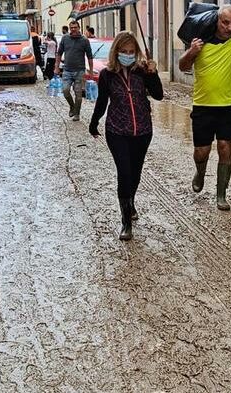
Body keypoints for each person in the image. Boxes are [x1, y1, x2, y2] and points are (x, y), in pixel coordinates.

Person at [178, 5, 231, 210]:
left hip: (227, 107)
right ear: (216, 21)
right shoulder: (201, 43)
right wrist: (191, 52)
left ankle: (221, 195)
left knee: (225, 148)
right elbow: (182, 66)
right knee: (201, 152)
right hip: (203, 106)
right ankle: (200, 171)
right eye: (225, 22)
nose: (229, 27)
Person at [89, 31, 163, 240]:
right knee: (124, 172)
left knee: (136, 172)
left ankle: (130, 201)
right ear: (116, 52)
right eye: (124, 51)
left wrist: (153, 73)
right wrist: (93, 123)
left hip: (142, 131)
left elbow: (158, 95)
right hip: (117, 131)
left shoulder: (142, 72)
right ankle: (126, 222)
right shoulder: (107, 75)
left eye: (132, 52)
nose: (128, 55)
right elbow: (102, 101)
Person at [54, 20, 94, 121]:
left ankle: (77, 113)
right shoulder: (65, 38)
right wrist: (56, 67)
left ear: (79, 28)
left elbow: (89, 57)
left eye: (75, 27)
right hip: (67, 70)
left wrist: (91, 71)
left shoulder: (84, 40)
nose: (73, 29)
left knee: (78, 95)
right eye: (71, 28)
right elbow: (59, 54)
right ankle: (72, 106)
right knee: (65, 90)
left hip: (79, 71)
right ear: (69, 28)